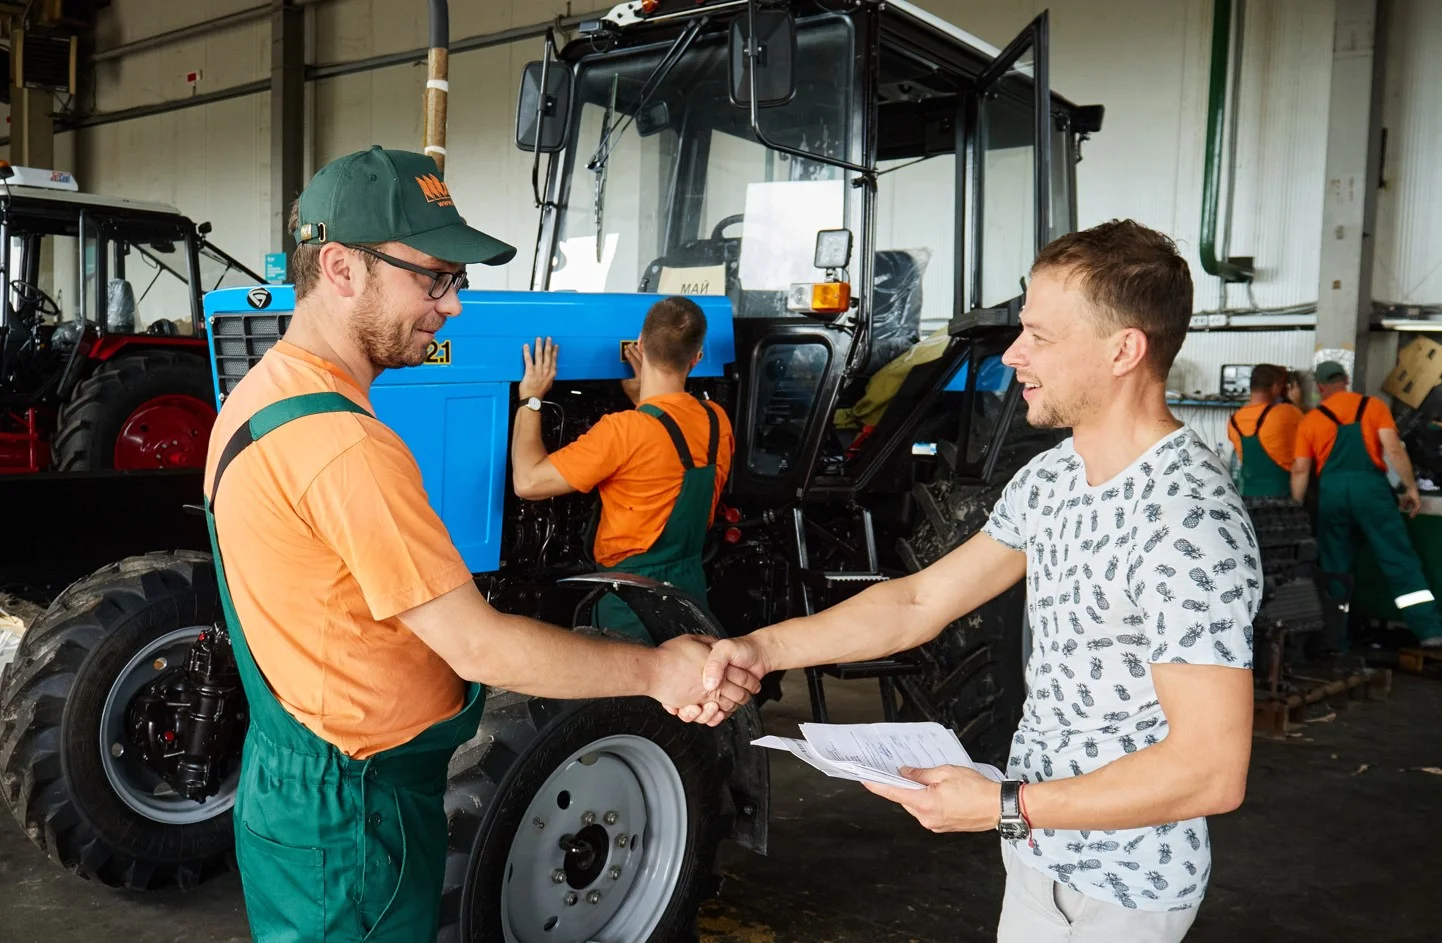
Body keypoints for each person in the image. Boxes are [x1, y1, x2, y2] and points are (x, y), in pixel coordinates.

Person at [204, 146, 756, 943]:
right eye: (433, 278)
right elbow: (479, 644)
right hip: (357, 813)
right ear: (341, 267)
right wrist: (659, 669)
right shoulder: (346, 446)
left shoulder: (263, 394)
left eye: (454, 282)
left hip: (307, 779)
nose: (452, 305)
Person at [699, 220, 1261, 942]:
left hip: (1125, 884)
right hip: (1036, 856)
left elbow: (1211, 769)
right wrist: (761, 649)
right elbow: (919, 600)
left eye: (1041, 337)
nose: (1015, 354)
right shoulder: (1053, 475)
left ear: (1124, 349)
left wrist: (1002, 803)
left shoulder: (1188, 521)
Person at [510, 297, 734, 639]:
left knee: (630, 691)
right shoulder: (717, 420)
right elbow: (671, 447)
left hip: (630, 600)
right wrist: (643, 400)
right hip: (690, 592)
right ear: (696, 358)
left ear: (640, 345)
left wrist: (531, 399)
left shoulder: (625, 430)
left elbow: (527, 482)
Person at [1292, 360, 1442, 649]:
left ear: (1320, 388)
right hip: (1371, 490)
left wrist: (1297, 508)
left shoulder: (1310, 419)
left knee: (1335, 566)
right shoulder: (1372, 406)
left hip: (1332, 492)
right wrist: (1411, 487)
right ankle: (1429, 630)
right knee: (1398, 558)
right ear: (1346, 379)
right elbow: (1394, 448)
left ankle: (1335, 639)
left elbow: (1300, 470)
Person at [1226, 363, 1303, 497]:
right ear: (1275, 387)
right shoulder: (1286, 412)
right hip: (1282, 498)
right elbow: (1308, 430)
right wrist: (1296, 402)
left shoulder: (1234, 421)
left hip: (1249, 498)